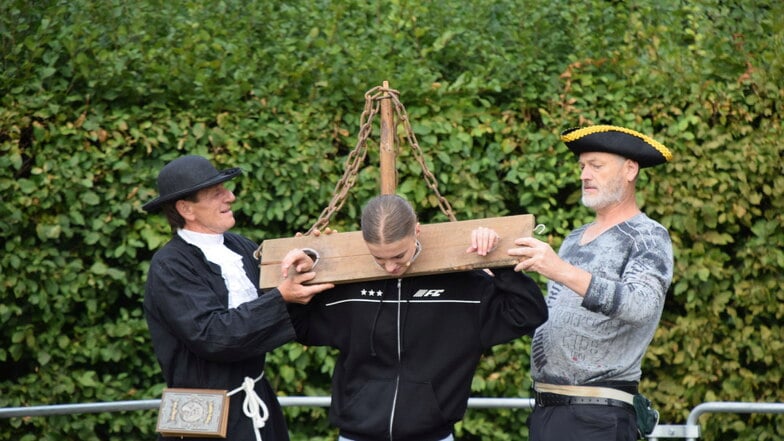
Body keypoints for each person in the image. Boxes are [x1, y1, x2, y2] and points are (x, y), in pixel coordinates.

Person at [285, 194, 548, 441]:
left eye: (399, 255)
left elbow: (528, 314)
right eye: (378, 258)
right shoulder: (347, 287)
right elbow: (301, 328)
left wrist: (499, 263)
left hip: (432, 435)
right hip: (355, 434)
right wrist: (302, 278)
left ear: (417, 231)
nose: (390, 267)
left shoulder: (464, 286)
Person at [142, 155, 333, 441]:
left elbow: (282, 304)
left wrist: (310, 263)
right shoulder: (169, 265)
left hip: (256, 395)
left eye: (227, 189)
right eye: (217, 193)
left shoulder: (240, 246)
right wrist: (281, 297)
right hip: (198, 414)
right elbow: (211, 335)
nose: (230, 197)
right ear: (186, 209)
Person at [509, 125, 674, 441]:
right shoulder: (573, 239)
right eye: (582, 166)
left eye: (596, 165)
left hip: (599, 416)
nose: (585, 174)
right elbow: (553, 317)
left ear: (630, 169)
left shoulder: (649, 236)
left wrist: (559, 269)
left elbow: (641, 306)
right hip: (546, 411)